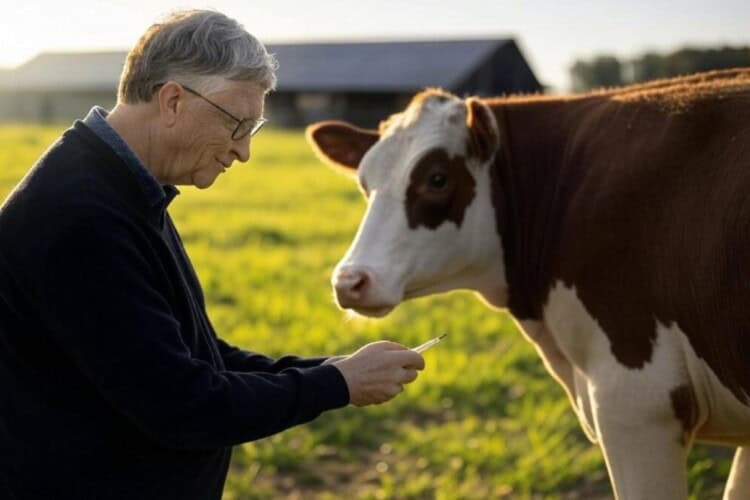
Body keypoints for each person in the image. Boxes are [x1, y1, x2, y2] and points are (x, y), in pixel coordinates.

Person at [0, 9, 424, 500]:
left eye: (254, 127)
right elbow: (184, 406)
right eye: (236, 124)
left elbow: (200, 357)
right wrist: (336, 384)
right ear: (174, 101)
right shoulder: (81, 217)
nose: (243, 150)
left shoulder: (122, 187)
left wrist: (332, 369)